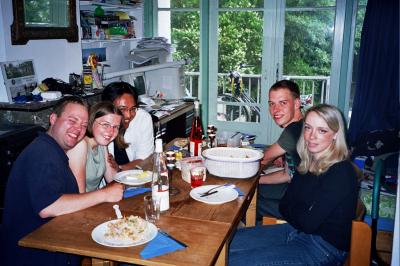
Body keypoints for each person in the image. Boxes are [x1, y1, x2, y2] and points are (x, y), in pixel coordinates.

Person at [0, 96, 124, 266]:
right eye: (72, 120)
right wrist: (104, 194)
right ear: (53, 119)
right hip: (33, 255)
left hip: (54, 244)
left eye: (82, 125)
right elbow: (48, 207)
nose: (78, 129)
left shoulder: (53, 150)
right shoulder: (42, 153)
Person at [229, 104, 358, 266]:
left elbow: (308, 222)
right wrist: (301, 214)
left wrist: (298, 213)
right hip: (294, 230)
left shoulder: (340, 172)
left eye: (322, 130)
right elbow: (285, 206)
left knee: (232, 261)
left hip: (323, 248)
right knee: (223, 244)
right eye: (308, 128)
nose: (311, 136)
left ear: (335, 134)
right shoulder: (308, 162)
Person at [257, 80, 303, 220]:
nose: (275, 110)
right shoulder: (302, 123)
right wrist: (256, 180)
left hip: (303, 205)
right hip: (296, 188)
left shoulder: (294, 130)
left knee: (243, 204)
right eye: (272, 104)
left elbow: (263, 159)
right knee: (253, 190)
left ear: (296, 104)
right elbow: (287, 175)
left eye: (282, 103)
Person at [67, 101, 127, 192]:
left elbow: (113, 180)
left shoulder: (102, 144)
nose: (111, 131)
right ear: (91, 121)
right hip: (80, 204)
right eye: (105, 124)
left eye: (116, 127)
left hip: (93, 201)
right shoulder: (80, 146)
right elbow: (79, 195)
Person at [101, 81, 154, 170]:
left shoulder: (143, 118)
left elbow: (144, 158)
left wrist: (120, 168)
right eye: (122, 109)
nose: (128, 115)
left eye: (132, 109)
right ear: (107, 107)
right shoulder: (99, 126)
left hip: (133, 174)